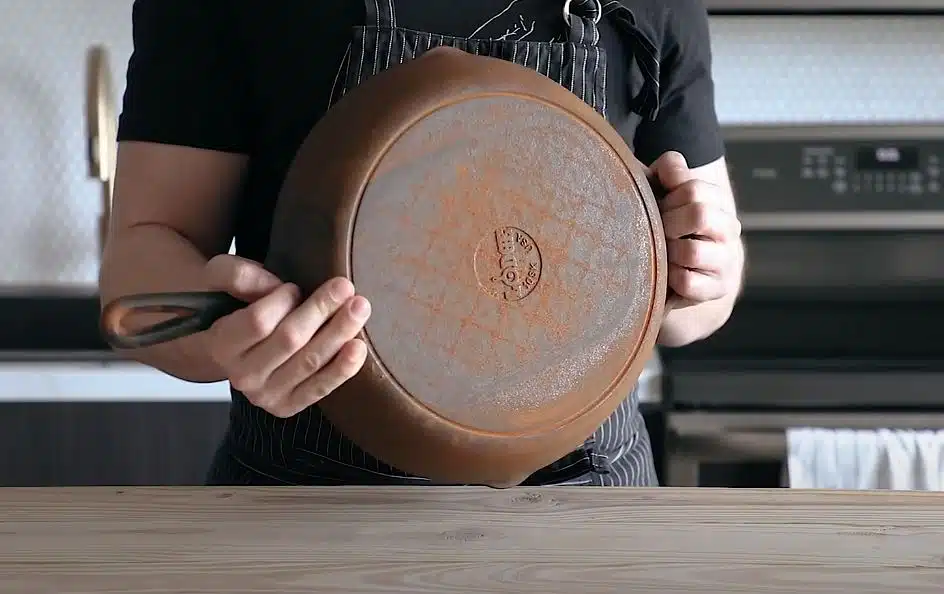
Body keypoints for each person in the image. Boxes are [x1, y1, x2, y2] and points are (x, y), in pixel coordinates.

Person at [101, 0, 745, 487]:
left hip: (588, 507)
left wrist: (700, 277)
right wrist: (218, 339)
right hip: (308, 508)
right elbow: (143, 263)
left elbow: (709, 282)